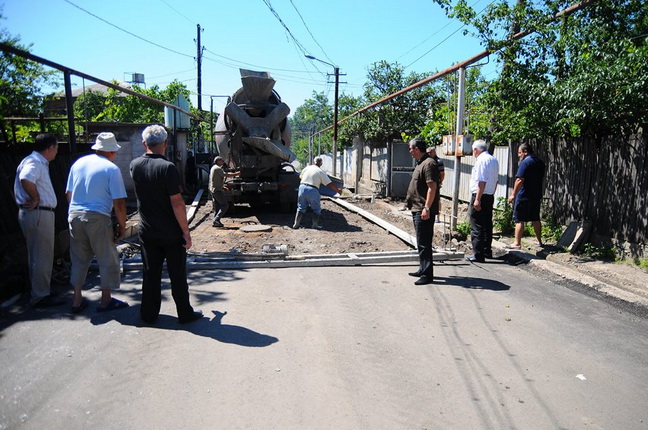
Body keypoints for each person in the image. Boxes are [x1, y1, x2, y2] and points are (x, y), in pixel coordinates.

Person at [130, 125, 202, 324]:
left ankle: (149, 313)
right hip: (171, 233)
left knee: (150, 274)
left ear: (144, 143)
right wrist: (186, 232)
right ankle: (185, 314)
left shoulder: (134, 165)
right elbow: (177, 203)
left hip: (147, 232)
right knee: (177, 275)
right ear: (165, 143)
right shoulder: (168, 167)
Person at [65, 132, 129, 313]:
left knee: (78, 259)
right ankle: (106, 300)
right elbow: (119, 202)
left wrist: (76, 213)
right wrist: (122, 226)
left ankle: (76, 300)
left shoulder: (78, 163)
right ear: (111, 152)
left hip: (74, 214)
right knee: (106, 258)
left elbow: (68, 194)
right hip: (97, 216)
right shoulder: (111, 168)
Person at [14, 133, 65, 307]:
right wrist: (35, 198)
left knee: (39, 255)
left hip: (37, 214)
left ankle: (42, 290)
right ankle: (41, 296)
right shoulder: (34, 162)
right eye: (56, 148)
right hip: (38, 213)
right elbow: (26, 179)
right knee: (41, 255)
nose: (57, 152)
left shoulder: (35, 161)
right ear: (50, 148)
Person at [406, 138, 440, 285]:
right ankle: (422, 268)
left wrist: (426, 207)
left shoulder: (429, 164)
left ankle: (427, 274)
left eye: (410, 149)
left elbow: (432, 188)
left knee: (424, 243)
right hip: (417, 208)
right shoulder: (421, 163)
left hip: (423, 210)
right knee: (421, 242)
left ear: (417, 149)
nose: (409, 152)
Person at [507, 143, 546, 248]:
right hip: (536, 195)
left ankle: (517, 243)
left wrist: (513, 194)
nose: (519, 155)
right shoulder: (540, 163)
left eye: (520, 153)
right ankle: (539, 241)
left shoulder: (525, 163)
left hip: (524, 195)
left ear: (525, 152)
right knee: (535, 218)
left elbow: (519, 179)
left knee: (519, 219)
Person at [467, 139, 499, 263]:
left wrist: (478, 199)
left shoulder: (481, 160)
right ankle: (487, 250)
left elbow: (481, 181)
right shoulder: (493, 160)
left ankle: (478, 255)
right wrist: (491, 194)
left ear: (476, 150)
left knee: (476, 225)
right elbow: (495, 180)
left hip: (480, 195)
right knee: (487, 224)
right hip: (489, 195)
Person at [292, 156, 342, 229]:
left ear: (313, 162)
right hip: (312, 190)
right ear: (321, 164)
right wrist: (338, 190)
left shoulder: (307, 168)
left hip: (302, 188)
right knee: (316, 209)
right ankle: (314, 225)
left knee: (300, 207)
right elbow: (329, 184)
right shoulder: (320, 172)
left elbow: (301, 177)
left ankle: (296, 224)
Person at [209, 155, 240, 228]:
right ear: (218, 161)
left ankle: (215, 221)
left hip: (213, 189)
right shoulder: (217, 168)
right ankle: (216, 220)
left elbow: (215, 179)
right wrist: (237, 174)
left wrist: (223, 186)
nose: (223, 162)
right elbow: (226, 175)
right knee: (225, 205)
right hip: (217, 190)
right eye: (221, 160)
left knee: (217, 206)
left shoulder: (213, 168)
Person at [426, 146, 445, 223]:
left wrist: (440, 182)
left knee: (437, 200)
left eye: (430, 152)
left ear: (434, 152)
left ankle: (438, 217)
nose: (429, 154)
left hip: (435, 183)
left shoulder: (439, 161)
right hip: (428, 183)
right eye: (428, 152)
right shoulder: (427, 160)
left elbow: (442, 174)